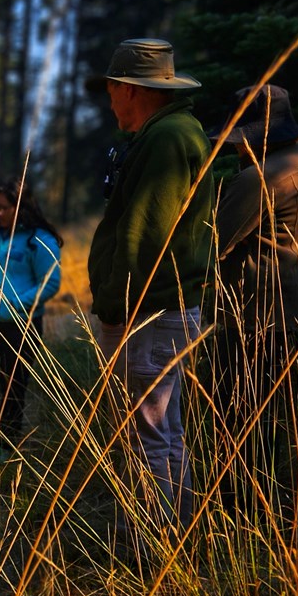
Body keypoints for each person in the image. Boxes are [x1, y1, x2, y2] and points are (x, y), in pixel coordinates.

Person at [88, 38, 214, 550]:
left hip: (148, 311)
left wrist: (119, 308)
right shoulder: (166, 132)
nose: (111, 103)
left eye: (112, 92)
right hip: (158, 308)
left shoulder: (167, 138)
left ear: (128, 89)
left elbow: (145, 236)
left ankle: (148, 550)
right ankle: (171, 543)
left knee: (147, 436)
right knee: (161, 432)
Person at [208, 84, 298, 522]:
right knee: (265, 420)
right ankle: (263, 510)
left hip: (257, 314)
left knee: (239, 420)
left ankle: (244, 514)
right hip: (284, 309)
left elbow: (213, 242)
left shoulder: (261, 176)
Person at [0, 178, 62, 463]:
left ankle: (5, 443)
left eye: (5, 208)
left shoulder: (38, 238)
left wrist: (14, 305)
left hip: (20, 325)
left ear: (22, 206)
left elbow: (49, 282)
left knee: (12, 384)